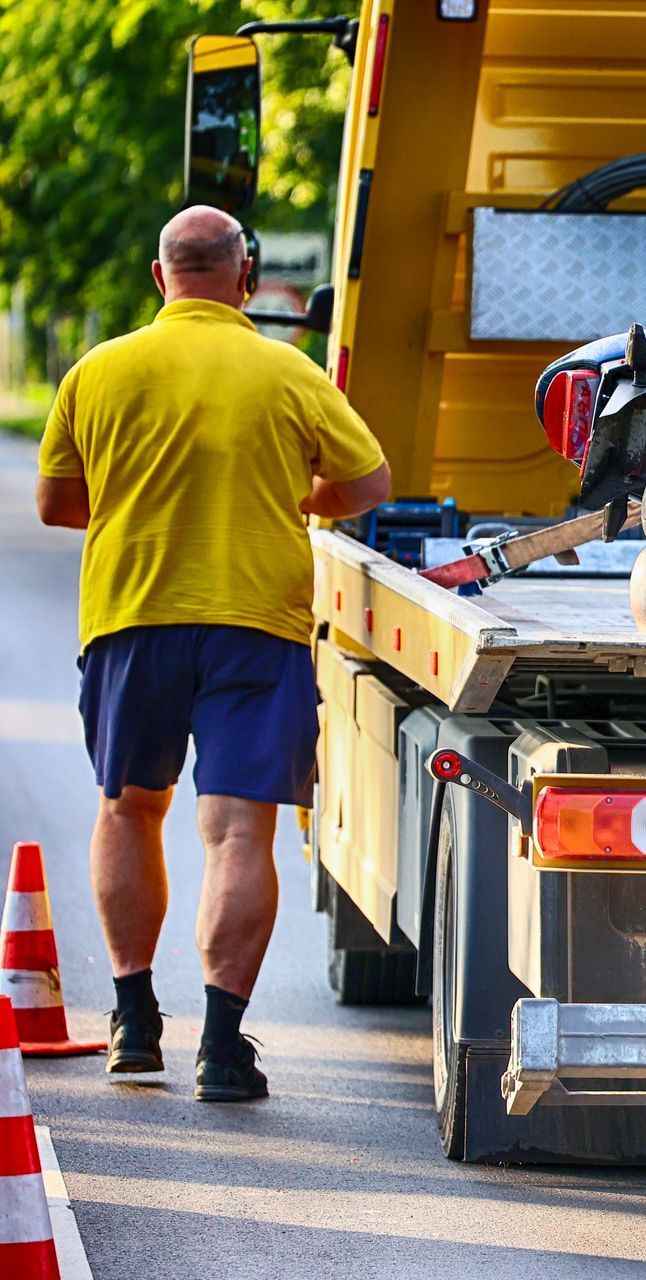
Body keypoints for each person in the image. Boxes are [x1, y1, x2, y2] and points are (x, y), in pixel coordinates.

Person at [35, 206, 391, 1102]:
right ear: (245, 277)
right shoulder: (287, 371)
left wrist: (130, 510)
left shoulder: (97, 371)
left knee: (128, 810)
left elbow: (56, 503)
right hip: (253, 623)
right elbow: (369, 483)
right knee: (238, 830)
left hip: (131, 617)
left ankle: (131, 1021)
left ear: (161, 279)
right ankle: (224, 1050)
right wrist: (292, 498)